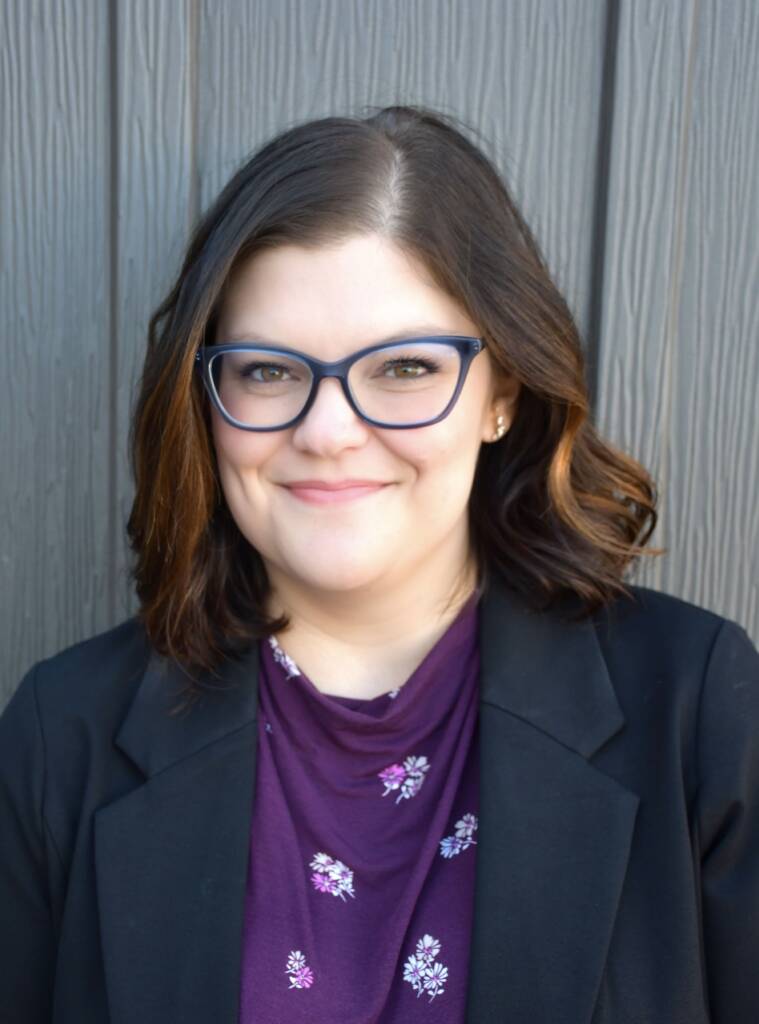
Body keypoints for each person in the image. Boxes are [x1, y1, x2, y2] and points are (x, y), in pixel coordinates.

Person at [1, 104, 757, 1024]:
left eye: (402, 368)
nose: (327, 433)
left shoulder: (697, 709)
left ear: (501, 395)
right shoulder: (61, 732)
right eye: (268, 370)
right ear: (205, 398)